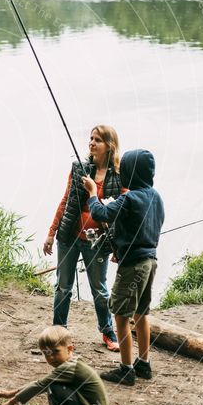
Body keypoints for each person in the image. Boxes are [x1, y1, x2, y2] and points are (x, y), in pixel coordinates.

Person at [82, 149, 165, 386]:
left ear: (131, 173)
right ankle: (144, 364)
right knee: (141, 313)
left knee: (120, 315)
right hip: (151, 261)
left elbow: (100, 213)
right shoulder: (155, 196)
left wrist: (92, 192)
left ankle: (126, 369)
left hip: (133, 266)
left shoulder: (128, 198)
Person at [43, 125, 124, 351]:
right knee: (63, 287)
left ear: (110, 146)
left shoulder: (118, 176)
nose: (91, 143)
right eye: (90, 138)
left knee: (99, 289)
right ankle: (59, 331)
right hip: (69, 237)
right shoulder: (79, 168)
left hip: (98, 243)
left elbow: (123, 214)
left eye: (97, 140)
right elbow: (65, 200)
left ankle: (107, 332)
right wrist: (51, 232)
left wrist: (119, 247)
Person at [0, 325, 109, 405]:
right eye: (46, 353)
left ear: (70, 349)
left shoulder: (68, 368)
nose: (51, 357)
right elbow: (40, 383)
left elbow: (40, 385)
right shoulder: (73, 363)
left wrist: (12, 402)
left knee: (54, 387)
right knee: (53, 384)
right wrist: (11, 393)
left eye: (56, 351)